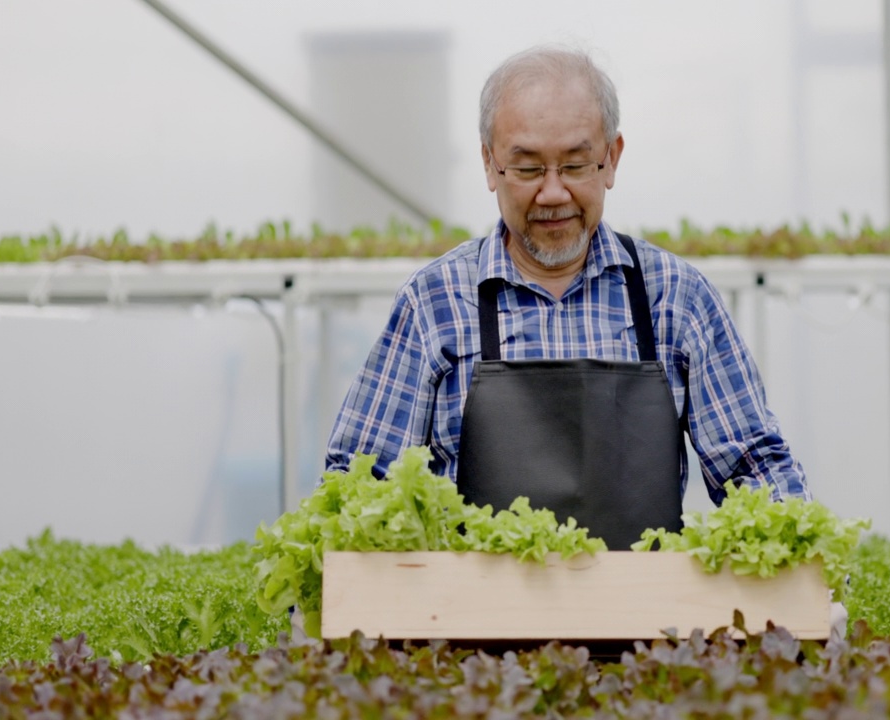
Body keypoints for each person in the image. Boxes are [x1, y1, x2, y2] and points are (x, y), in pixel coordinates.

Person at [325, 45, 809, 550]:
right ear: (490, 164)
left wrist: (803, 571)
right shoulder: (435, 304)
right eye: (529, 169)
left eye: (576, 166)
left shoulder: (676, 298)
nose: (553, 193)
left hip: (644, 620)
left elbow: (754, 464)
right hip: (474, 623)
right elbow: (363, 485)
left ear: (611, 159)